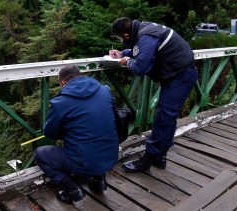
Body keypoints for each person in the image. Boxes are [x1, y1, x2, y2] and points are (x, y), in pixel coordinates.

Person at [109, 17, 198, 173]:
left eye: (119, 38)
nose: (120, 40)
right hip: (178, 74)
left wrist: (126, 61)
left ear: (126, 35)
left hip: (180, 76)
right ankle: (160, 155)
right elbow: (143, 51)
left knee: (164, 116)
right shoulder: (144, 29)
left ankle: (148, 158)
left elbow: (141, 67)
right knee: (168, 116)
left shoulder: (146, 36)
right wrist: (122, 53)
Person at [34, 66, 119, 204]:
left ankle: (72, 189)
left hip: (84, 163)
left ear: (63, 83)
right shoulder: (105, 90)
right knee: (96, 135)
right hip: (111, 156)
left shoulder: (60, 102)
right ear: (80, 75)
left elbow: (50, 133)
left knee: (40, 154)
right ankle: (99, 181)